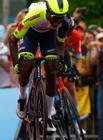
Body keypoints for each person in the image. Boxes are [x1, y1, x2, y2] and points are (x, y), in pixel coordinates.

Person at [9, 0, 69, 132]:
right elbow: (13, 39)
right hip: (30, 34)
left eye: (60, 18)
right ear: (47, 12)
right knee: (27, 65)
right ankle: (22, 98)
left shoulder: (64, 22)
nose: (57, 21)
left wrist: (61, 60)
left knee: (52, 71)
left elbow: (60, 44)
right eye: (54, 17)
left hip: (49, 37)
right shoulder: (35, 14)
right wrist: (16, 63)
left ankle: (47, 117)